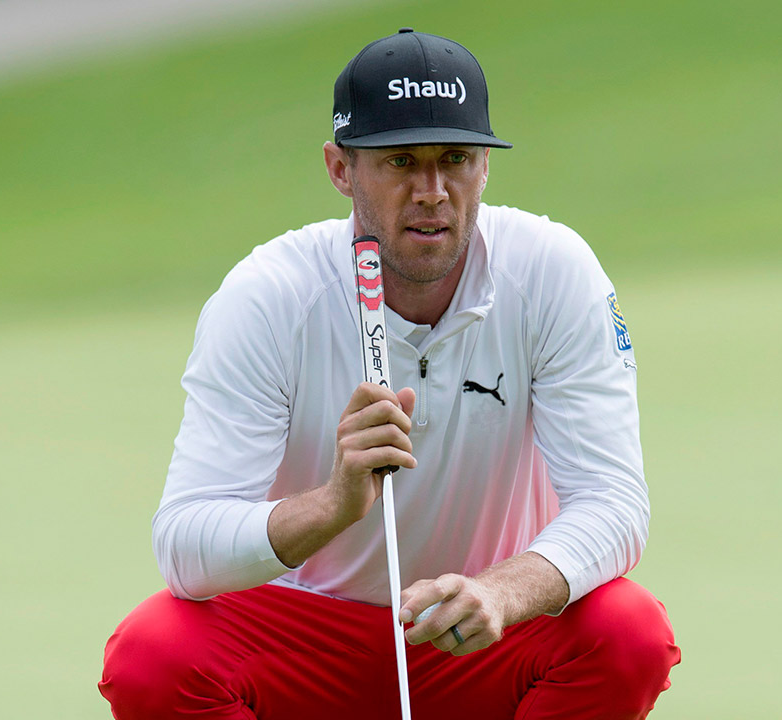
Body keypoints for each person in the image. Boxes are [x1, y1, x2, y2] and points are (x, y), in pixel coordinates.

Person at [99, 28, 679, 719]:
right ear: (340, 169)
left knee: (627, 631)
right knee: (154, 653)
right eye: (401, 161)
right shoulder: (269, 295)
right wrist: (331, 504)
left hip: (481, 635)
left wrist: (500, 593)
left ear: (484, 168)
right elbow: (184, 546)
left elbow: (614, 502)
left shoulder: (553, 271)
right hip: (310, 640)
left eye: (456, 159)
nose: (432, 192)